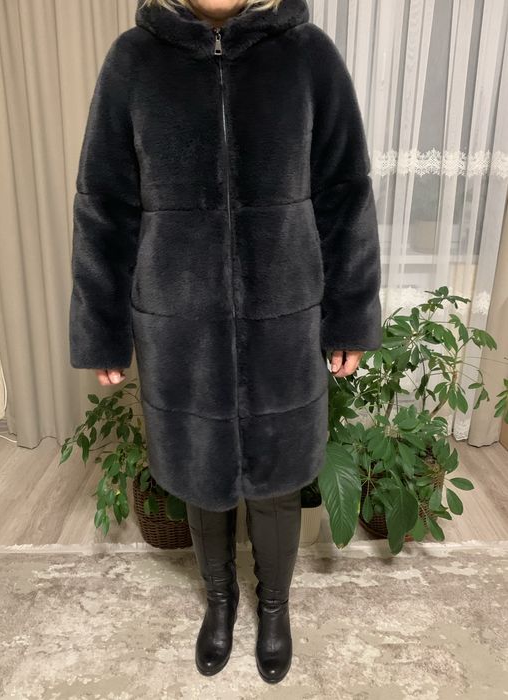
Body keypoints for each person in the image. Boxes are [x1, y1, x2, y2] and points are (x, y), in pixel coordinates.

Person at [68, 0, 382, 684]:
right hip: (180, 325)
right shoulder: (134, 61)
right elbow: (104, 204)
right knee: (199, 470)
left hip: (285, 319)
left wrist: (351, 316)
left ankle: (274, 607)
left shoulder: (308, 56)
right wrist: (102, 330)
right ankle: (219, 601)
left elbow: (344, 193)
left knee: (278, 479)